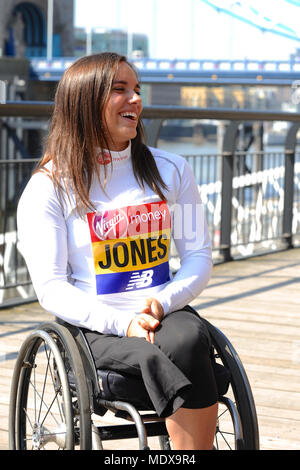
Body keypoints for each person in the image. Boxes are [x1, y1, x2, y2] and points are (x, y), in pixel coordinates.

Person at [17, 52, 218, 450]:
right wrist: (122, 324)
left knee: (190, 339)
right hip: (93, 325)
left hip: (161, 310)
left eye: (137, 89)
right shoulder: (49, 187)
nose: (136, 100)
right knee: (151, 356)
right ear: (84, 101)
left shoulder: (174, 169)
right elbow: (52, 287)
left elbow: (198, 256)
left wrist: (162, 302)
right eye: (120, 90)